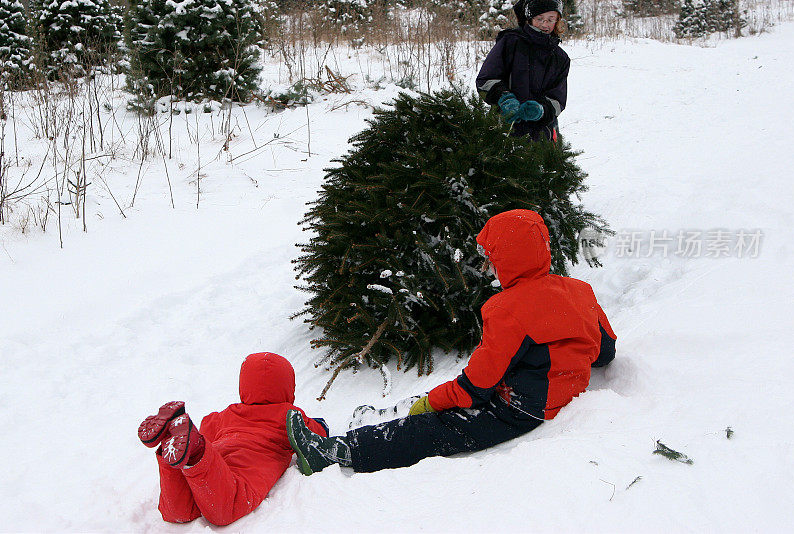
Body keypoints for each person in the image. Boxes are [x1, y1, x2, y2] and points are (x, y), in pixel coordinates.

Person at [286, 209, 617, 475]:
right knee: (441, 405)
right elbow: (604, 352)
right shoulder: (579, 291)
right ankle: (382, 418)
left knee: (434, 430)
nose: (488, 266)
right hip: (547, 397)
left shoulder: (506, 309)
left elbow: (477, 386)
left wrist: (433, 402)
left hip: (519, 410)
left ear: (509, 259)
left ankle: (336, 453)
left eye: (492, 258)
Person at [138, 352, 328, 526]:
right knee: (227, 508)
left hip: (217, 459)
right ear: (288, 386)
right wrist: (322, 425)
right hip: (245, 471)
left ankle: (172, 441)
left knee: (179, 511)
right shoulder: (290, 415)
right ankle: (195, 451)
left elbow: (208, 424)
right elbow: (315, 435)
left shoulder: (230, 412)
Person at [476, 0, 570, 142]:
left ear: (557, 20)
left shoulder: (560, 58)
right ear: (530, 19)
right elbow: (486, 80)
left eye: (551, 18)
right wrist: (504, 98)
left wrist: (540, 110)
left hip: (543, 134)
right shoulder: (510, 42)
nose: (545, 24)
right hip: (505, 127)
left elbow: (557, 100)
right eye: (540, 18)